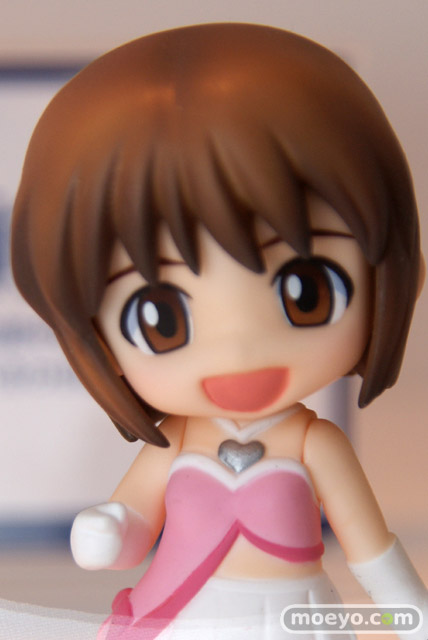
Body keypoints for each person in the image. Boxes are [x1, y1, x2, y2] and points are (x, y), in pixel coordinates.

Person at [11, 23, 428, 639]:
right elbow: (131, 532)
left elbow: (372, 553)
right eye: (161, 318)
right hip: (185, 620)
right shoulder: (175, 445)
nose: (238, 350)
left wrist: (408, 618)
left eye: (305, 292)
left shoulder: (316, 445)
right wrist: (107, 531)